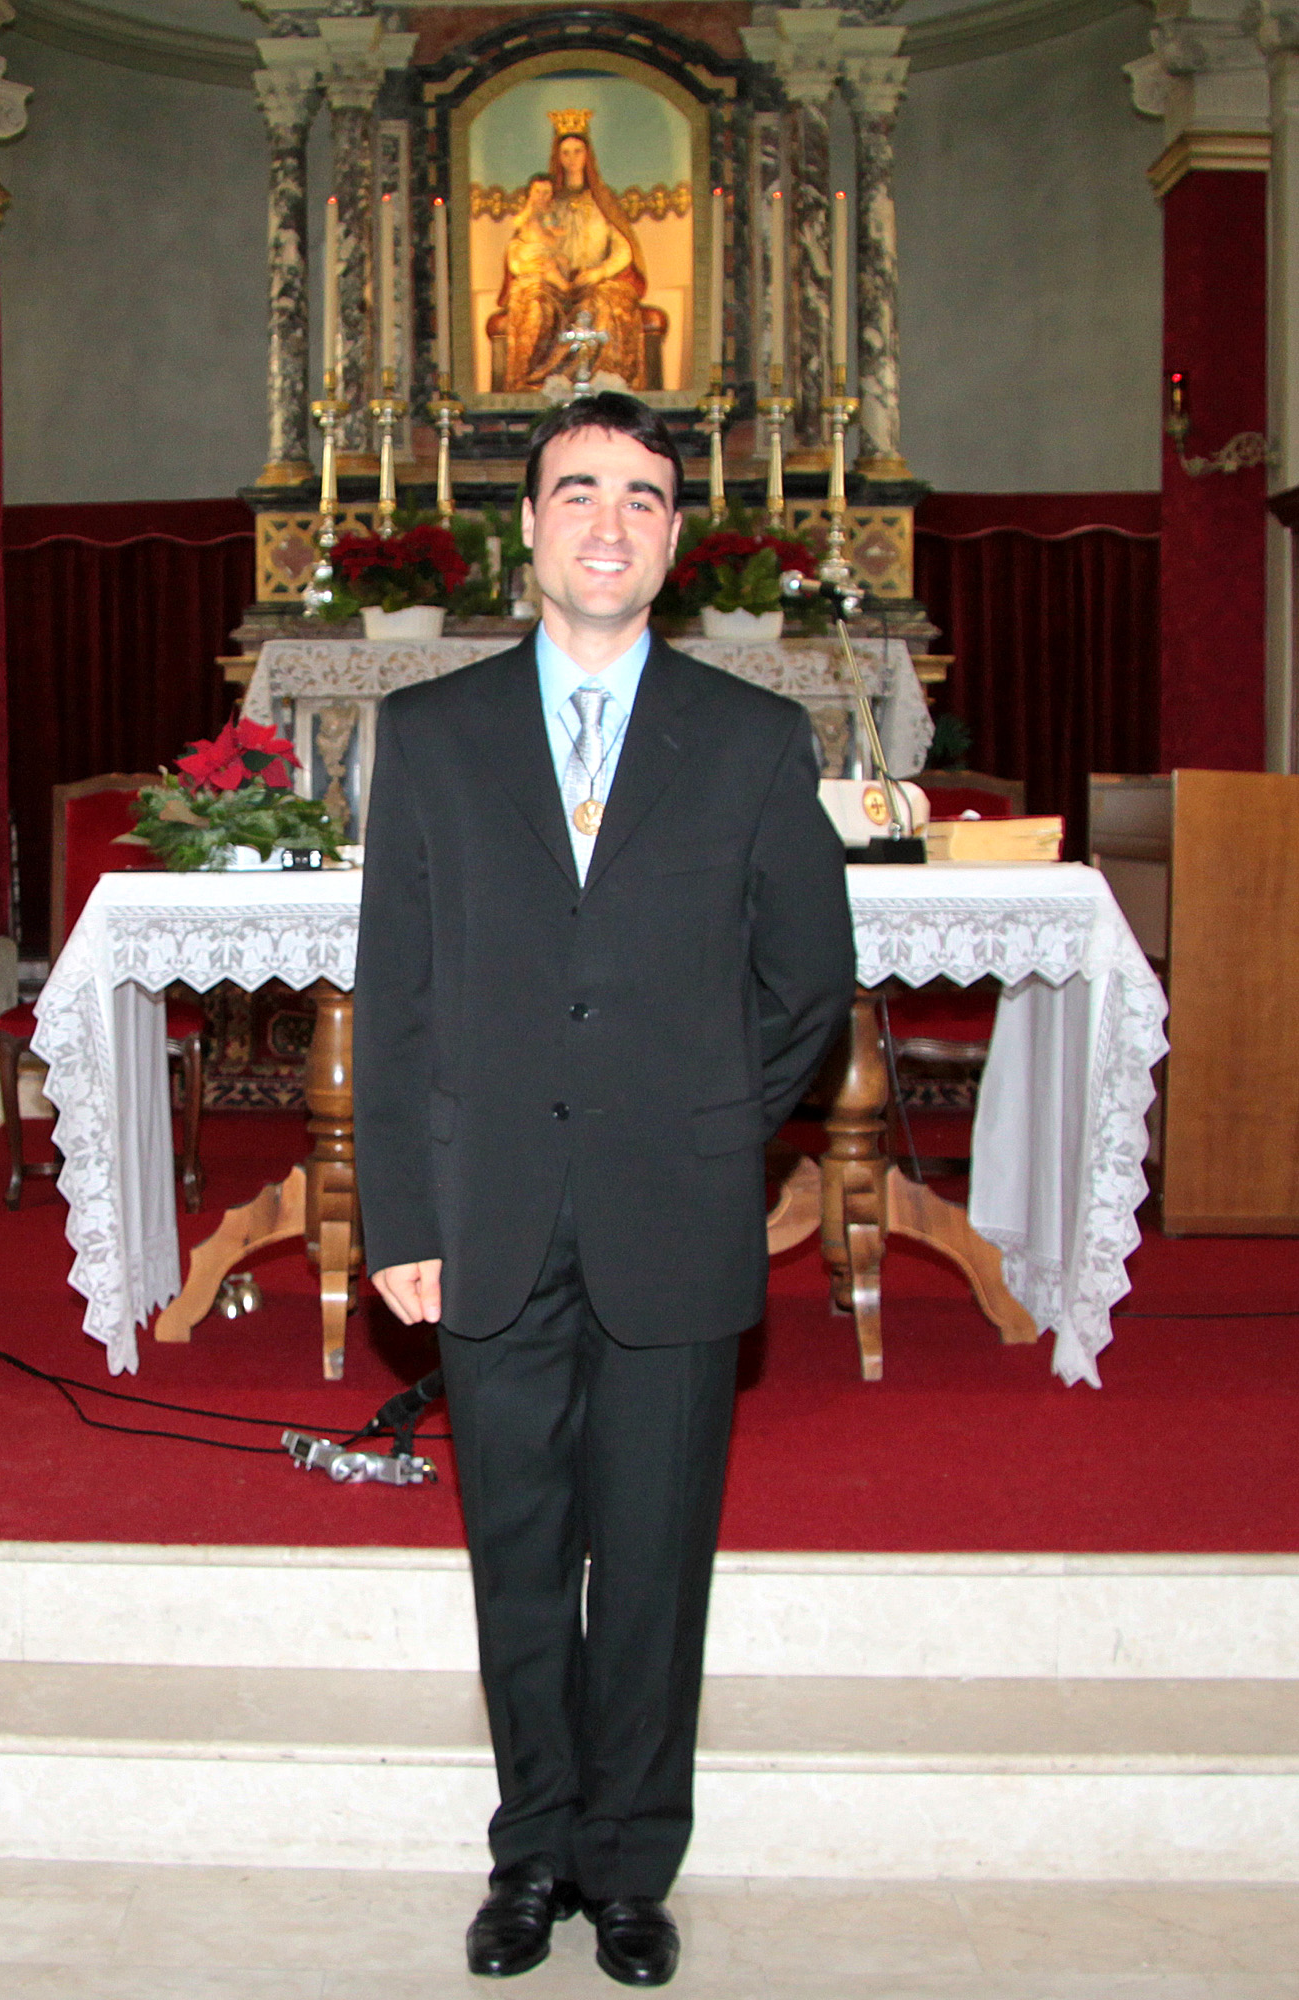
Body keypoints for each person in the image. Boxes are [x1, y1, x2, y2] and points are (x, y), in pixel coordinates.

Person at [353, 392, 854, 1987]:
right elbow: (395, 994)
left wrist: (709, 1123)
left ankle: (630, 1865)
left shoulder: (751, 738)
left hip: (672, 1212)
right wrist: (399, 1217)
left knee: (649, 1561)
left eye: (641, 497)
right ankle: (531, 1853)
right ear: (526, 524)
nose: (607, 523)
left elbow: (808, 982)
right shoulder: (431, 734)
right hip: (485, 1212)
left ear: (676, 536)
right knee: (515, 1557)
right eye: (578, 491)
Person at [496, 119, 648, 391]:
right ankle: (535, 385)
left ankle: (604, 387)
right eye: (565, 152)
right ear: (558, 157)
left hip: (594, 280)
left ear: (588, 155)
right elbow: (523, 242)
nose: (572, 159)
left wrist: (599, 272)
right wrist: (536, 268)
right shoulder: (548, 202)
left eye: (578, 151)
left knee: (605, 302)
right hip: (555, 280)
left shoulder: (602, 201)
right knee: (533, 301)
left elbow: (623, 248)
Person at [501, 175, 572, 391]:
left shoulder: (549, 217)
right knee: (536, 306)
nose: (542, 196)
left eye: (547, 192)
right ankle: (527, 373)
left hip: (549, 269)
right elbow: (517, 264)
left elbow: (558, 239)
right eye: (537, 192)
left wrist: (557, 258)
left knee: (557, 286)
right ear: (530, 194)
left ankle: (548, 372)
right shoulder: (526, 220)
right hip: (531, 277)